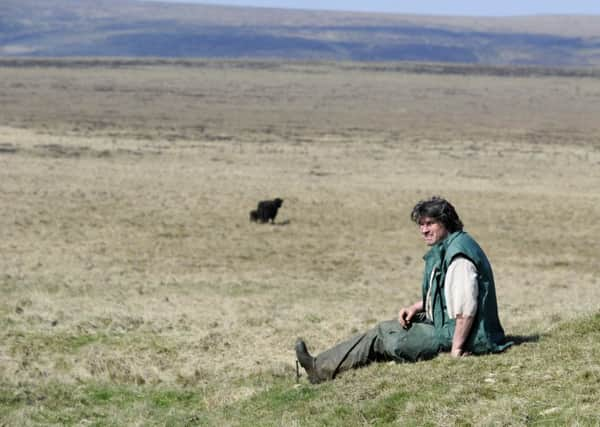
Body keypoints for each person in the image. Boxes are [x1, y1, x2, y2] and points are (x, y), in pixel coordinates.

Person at [295, 196, 511, 384]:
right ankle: (321, 365)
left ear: (445, 222)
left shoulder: (458, 256)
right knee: (385, 330)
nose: (423, 230)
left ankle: (319, 369)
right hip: (450, 327)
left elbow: (466, 310)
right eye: (421, 225)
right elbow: (448, 295)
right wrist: (416, 307)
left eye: (429, 223)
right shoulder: (453, 245)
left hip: (465, 336)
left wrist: (456, 350)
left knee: (384, 335)